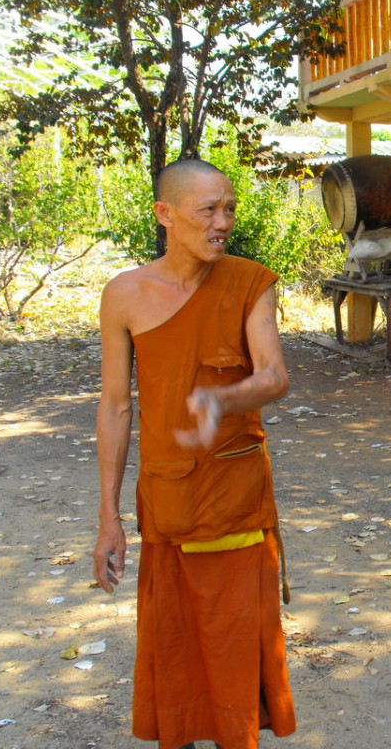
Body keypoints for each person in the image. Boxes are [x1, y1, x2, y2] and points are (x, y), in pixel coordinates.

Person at [92, 159, 295, 749]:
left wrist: (223, 400)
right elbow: (114, 407)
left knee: (235, 649)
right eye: (209, 209)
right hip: (168, 500)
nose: (223, 222)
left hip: (234, 501)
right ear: (166, 214)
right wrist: (108, 518)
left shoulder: (250, 281)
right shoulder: (125, 294)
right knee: (176, 650)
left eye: (229, 208)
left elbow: (275, 376)